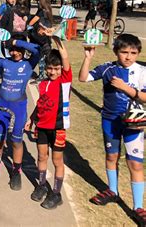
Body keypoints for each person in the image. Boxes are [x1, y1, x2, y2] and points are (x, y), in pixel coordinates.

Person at [79, 34, 146, 224]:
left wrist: (127, 89)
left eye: (133, 53)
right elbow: (83, 78)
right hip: (110, 121)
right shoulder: (108, 68)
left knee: (135, 164)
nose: (128, 57)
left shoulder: (142, 71)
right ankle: (113, 191)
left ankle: (138, 207)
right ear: (116, 51)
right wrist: (88, 58)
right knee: (111, 157)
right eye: (124, 52)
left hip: (134, 123)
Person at [0, 34, 40, 190]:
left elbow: (37, 50)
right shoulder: (3, 62)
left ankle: (16, 171)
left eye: (18, 50)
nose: (15, 53)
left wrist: (16, 42)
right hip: (2, 105)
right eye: (12, 50)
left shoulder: (28, 64)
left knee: (16, 141)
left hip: (18, 107)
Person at [25, 35, 72, 209]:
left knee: (57, 160)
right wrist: (31, 119)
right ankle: (42, 184)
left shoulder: (64, 81)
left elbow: (65, 58)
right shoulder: (43, 84)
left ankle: (56, 193)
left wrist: (57, 40)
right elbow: (40, 104)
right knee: (41, 157)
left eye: (57, 68)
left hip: (58, 128)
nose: (53, 72)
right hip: (42, 127)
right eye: (50, 68)